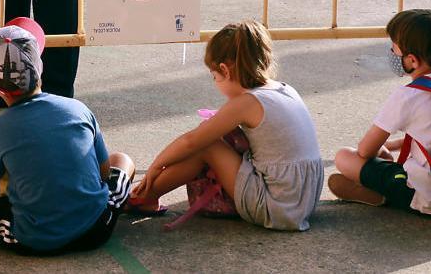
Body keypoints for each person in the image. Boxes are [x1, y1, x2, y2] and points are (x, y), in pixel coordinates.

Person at [0, 19, 135, 254]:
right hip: (97, 227)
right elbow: (104, 173)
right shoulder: (77, 108)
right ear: (40, 67)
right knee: (122, 160)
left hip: (35, 237)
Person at [130, 21, 325, 231]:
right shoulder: (284, 90)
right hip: (303, 199)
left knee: (207, 145)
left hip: (276, 206)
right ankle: (146, 195)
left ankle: (145, 196)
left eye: (214, 77)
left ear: (225, 70)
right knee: (218, 139)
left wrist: (156, 166)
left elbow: (191, 141)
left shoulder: (247, 102)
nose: (215, 83)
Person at [329, 9, 431, 215]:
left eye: (394, 48)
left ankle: (382, 192)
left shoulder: (408, 96)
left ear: (412, 60)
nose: (392, 52)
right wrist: (389, 146)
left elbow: (365, 151)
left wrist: (380, 151)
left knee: (344, 157)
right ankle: (376, 187)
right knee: (383, 157)